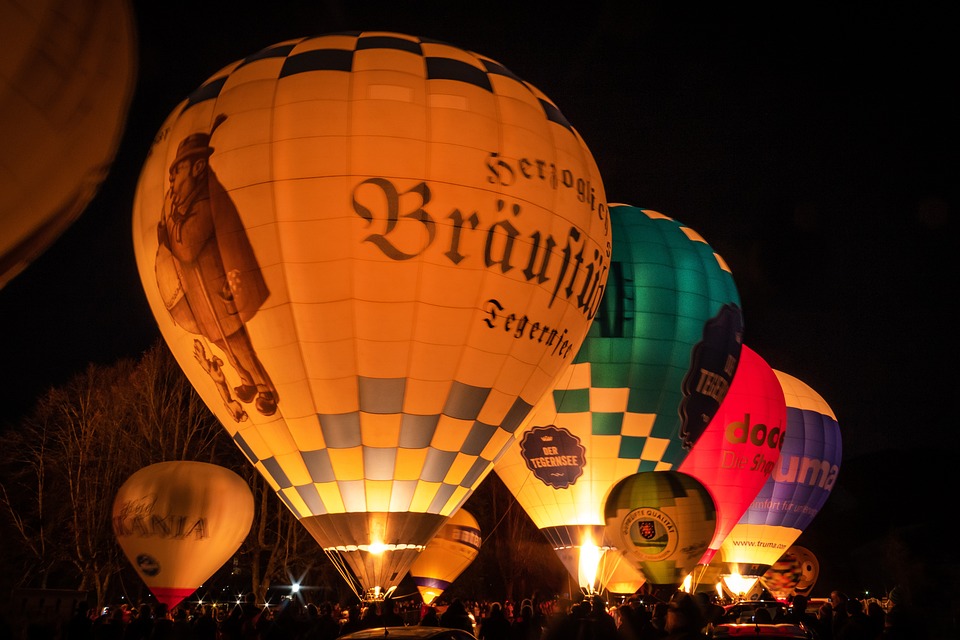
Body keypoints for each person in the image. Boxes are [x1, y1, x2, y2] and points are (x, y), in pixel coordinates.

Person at [155, 113, 277, 421]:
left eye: (177, 170)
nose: (171, 179)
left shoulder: (205, 204)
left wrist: (168, 230)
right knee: (222, 343)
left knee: (239, 343)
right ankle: (246, 380)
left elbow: (185, 247)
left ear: (197, 168)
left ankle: (265, 389)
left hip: (220, 294)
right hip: (202, 300)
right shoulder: (183, 206)